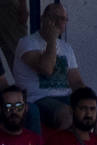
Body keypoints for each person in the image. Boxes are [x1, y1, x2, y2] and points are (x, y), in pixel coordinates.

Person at [11, 3, 85, 131]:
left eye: (63, 19)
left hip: (65, 97)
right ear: (43, 18)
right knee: (67, 114)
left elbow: (76, 81)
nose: (59, 22)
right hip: (38, 99)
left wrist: (88, 100)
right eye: (54, 17)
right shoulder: (27, 43)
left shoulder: (67, 48)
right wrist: (52, 41)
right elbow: (46, 69)